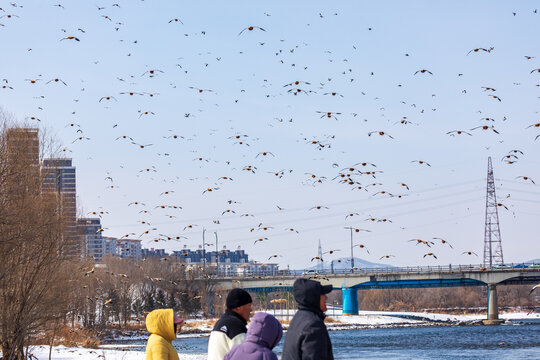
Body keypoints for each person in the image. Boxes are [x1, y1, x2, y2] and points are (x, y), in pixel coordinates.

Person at [281, 278, 334, 360]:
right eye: (323, 294)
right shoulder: (313, 325)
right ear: (314, 298)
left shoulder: (297, 319)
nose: (326, 298)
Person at [208, 288, 253, 360]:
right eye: (249, 305)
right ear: (238, 307)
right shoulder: (236, 326)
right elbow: (243, 357)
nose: (251, 310)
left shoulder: (220, 323)